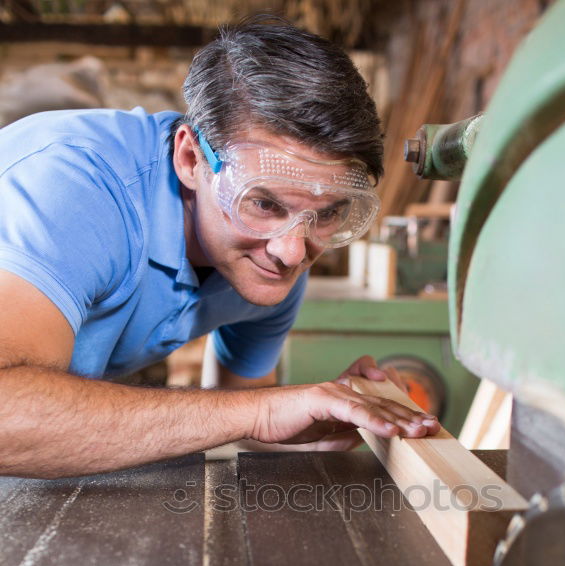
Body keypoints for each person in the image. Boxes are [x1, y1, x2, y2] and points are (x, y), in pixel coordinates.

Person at [0, 16, 440, 480]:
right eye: (264, 202)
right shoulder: (77, 189)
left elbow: (232, 415)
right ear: (191, 159)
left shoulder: (276, 252)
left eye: (328, 213)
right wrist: (259, 411)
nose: (292, 252)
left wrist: (316, 419)